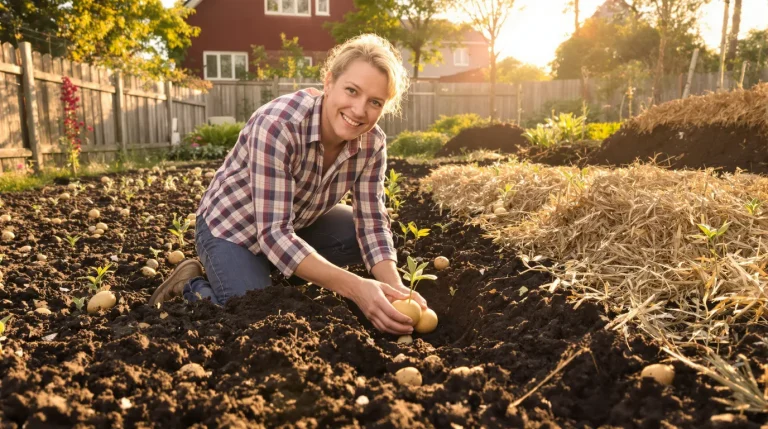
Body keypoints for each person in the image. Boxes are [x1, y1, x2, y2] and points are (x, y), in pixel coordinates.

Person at [148, 34, 428, 335]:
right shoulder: (279, 125)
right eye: (351, 90)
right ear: (329, 82)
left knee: (355, 233)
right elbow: (272, 233)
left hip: (292, 223)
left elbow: (371, 222)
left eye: (375, 102)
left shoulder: (372, 143)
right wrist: (356, 288)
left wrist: (396, 289)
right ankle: (190, 284)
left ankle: (274, 271)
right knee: (255, 317)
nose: (360, 110)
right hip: (231, 229)